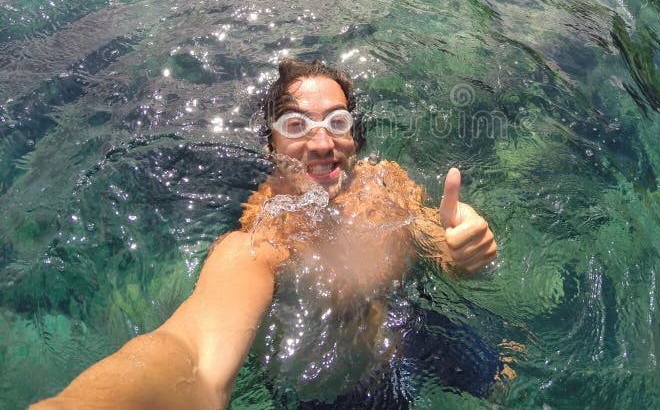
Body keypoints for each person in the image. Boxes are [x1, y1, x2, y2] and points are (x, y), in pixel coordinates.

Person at [31, 58, 498, 410]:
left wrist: (460, 248)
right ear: (270, 142)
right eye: (296, 125)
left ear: (354, 136)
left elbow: (437, 243)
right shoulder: (263, 239)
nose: (321, 143)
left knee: (509, 377)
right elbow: (193, 354)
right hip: (341, 392)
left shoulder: (388, 183)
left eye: (337, 122)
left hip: (415, 332)